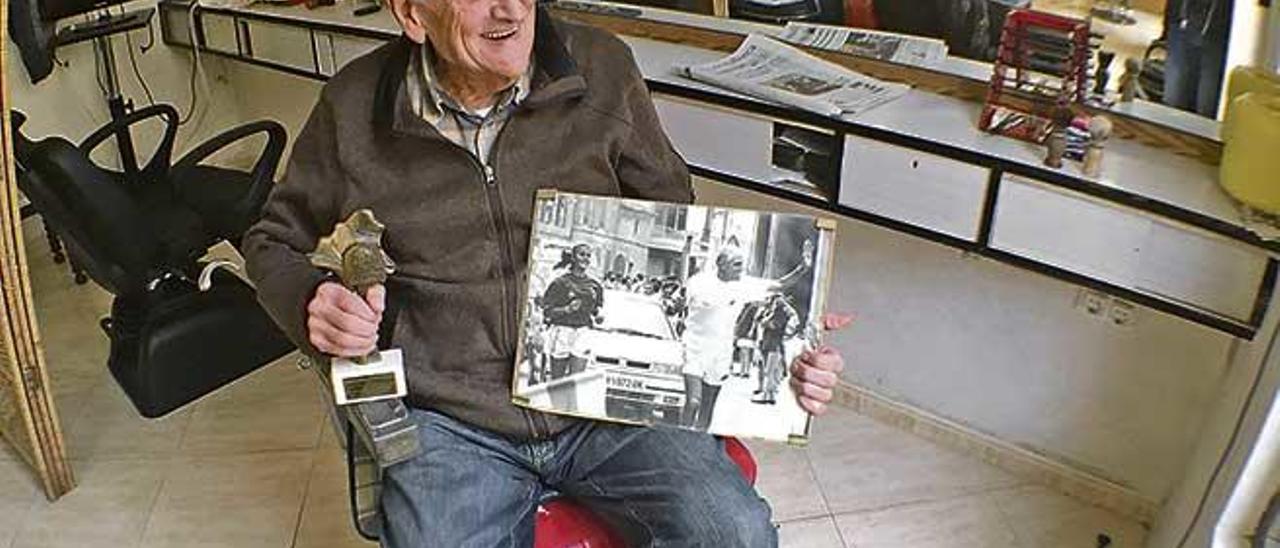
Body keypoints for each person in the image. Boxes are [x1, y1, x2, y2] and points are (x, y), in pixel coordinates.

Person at [242, 0, 851, 543]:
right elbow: (272, 240)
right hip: (453, 414)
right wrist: (311, 302)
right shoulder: (352, 106)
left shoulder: (604, 68)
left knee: (735, 534)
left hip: (607, 401)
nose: (510, 12)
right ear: (410, 13)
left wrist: (772, 321)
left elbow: (677, 223)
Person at [680, 240, 812, 431]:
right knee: (693, 402)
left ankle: (698, 441)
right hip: (695, 347)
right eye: (736, 264)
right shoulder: (699, 281)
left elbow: (779, 285)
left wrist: (803, 267)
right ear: (721, 264)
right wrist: (714, 301)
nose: (741, 269)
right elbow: (692, 300)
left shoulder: (744, 284)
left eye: (742, 264)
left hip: (721, 351)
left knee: (707, 411)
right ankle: (682, 435)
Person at [540, 244, 603, 381]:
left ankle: (568, 401)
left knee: (576, 379)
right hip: (562, 331)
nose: (585, 258)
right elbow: (547, 311)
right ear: (573, 257)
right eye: (582, 254)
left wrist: (598, 316)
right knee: (557, 380)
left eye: (588, 255)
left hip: (582, 331)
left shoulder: (594, 285)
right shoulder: (560, 282)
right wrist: (567, 309)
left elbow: (597, 310)